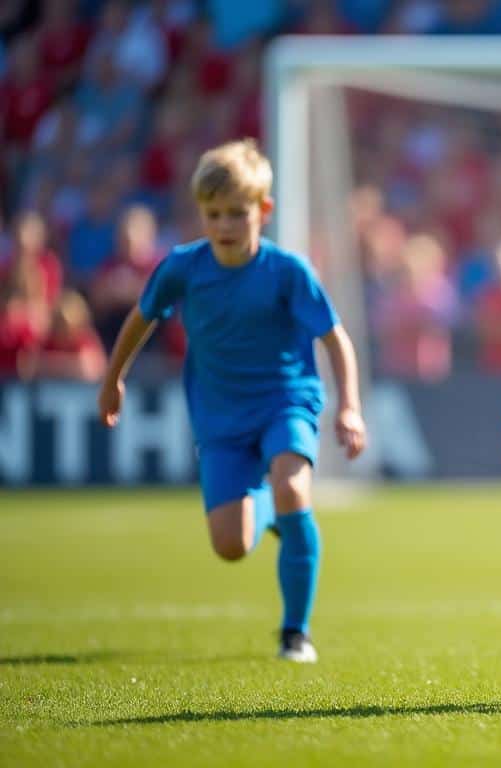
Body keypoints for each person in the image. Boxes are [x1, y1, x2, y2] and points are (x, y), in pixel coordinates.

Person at [97, 139, 366, 663]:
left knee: (292, 485)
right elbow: (142, 317)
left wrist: (349, 405)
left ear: (263, 211)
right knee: (230, 545)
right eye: (213, 214)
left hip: (286, 400)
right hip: (220, 416)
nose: (223, 225)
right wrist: (114, 379)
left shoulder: (288, 271)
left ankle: (295, 633)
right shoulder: (182, 268)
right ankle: (272, 510)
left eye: (236, 214)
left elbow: (335, 337)